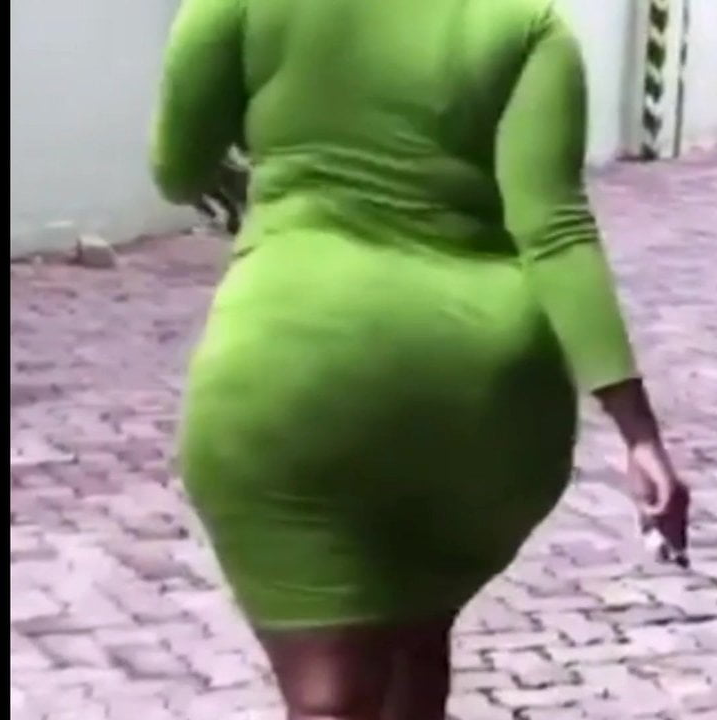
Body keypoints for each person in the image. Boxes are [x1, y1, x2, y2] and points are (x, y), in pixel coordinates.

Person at [150, 1, 689, 718]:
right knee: (417, 636)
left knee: (329, 694)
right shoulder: (526, 24)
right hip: (481, 389)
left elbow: (177, 168)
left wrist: (243, 188)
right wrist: (637, 431)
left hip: (288, 367)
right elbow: (554, 227)